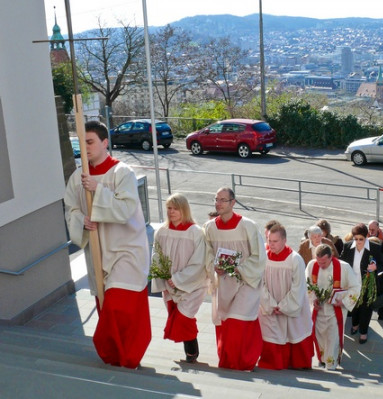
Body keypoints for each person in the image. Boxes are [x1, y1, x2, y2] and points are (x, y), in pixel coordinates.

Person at [64, 121, 151, 368]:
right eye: (82, 142)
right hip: (98, 253)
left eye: (90, 141)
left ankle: (130, 355)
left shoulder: (121, 172)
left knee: (119, 307)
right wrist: (83, 220)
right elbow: (70, 209)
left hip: (126, 250)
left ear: (104, 142)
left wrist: (98, 189)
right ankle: (114, 357)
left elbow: (125, 209)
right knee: (106, 305)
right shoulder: (77, 177)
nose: (86, 147)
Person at [203, 187, 266, 370]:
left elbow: (259, 256)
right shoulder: (209, 227)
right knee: (226, 323)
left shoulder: (247, 225)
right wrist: (213, 266)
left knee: (238, 322)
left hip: (246, 280)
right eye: (216, 199)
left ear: (233, 202)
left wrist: (240, 269)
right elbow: (206, 253)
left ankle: (244, 361)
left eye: (223, 200)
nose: (218, 203)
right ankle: (228, 361)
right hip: (223, 282)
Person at [150, 193, 209, 363]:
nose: (171, 212)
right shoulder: (161, 231)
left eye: (175, 208)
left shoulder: (196, 232)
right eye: (169, 208)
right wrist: (163, 276)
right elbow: (157, 255)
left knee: (184, 318)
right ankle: (190, 355)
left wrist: (178, 278)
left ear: (184, 210)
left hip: (192, 284)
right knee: (175, 315)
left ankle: (192, 354)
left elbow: (199, 261)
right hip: (169, 283)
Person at [258, 224, 314, 370]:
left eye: (275, 241)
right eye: (269, 240)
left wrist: (284, 306)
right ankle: (274, 363)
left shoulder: (295, 259)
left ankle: (298, 364)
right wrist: (270, 304)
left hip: (290, 306)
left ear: (284, 240)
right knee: (271, 333)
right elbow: (260, 283)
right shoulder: (263, 257)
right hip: (270, 305)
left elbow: (299, 287)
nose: (271, 244)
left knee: (294, 331)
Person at [306, 244, 360, 370]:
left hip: (336, 310)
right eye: (318, 261)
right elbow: (307, 284)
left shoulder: (344, 267)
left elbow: (356, 287)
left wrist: (344, 301)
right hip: (318, 310)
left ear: (331, 257)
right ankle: (322, 360)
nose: (320, 265)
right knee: (319, 336)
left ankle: (331, 365)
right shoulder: (311, 265)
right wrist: (313, 299)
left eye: (324, 262)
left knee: (332, 338)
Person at [340, 223, 383, 344]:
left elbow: (381, 264)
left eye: (361, 239)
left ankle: (363, 331)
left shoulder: (375, 247)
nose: (358, 241)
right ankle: (355, 324)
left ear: (366, 236)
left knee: (366, 308)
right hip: (352, 284)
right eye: (356, 239)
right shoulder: (348, 246)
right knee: (354, 305)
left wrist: (376, 267)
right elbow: (342, 263)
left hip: (367, 284)